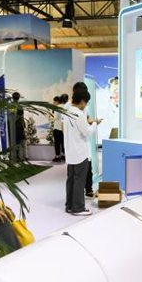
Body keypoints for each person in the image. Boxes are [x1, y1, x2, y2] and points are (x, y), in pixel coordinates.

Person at [63, 85, 101, 216]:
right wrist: (95, 123)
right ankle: (78, 208)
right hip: (80, 153)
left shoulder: (67, 111)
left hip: (70, 152)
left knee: (71, 180)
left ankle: (69, 205)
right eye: (87, 102)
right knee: (79, 180)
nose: (86, 105)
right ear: (83, 101)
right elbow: (87, 132)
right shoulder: (78, 114)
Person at [10, 92, 27, 162]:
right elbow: (21, 117)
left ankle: (15, 157)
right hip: (19, 125)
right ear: (18, 98)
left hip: (14, 126)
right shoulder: (19, 106)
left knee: (15, 142)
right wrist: (23, 125)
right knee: (20, 141)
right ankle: (20, 157)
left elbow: (12, 116)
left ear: (12, 97)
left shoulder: (12, 105)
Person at [51, 95, 65, 162]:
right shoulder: (64, 107)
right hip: (63, 128)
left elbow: (55, 118)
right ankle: (63, 155)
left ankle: (57, 156)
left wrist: (50, 117)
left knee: (57, 143)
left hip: (57, 128)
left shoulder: (57, 108)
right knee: (62, 143)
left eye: (54, 101)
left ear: (57, 101)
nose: (53, 103)